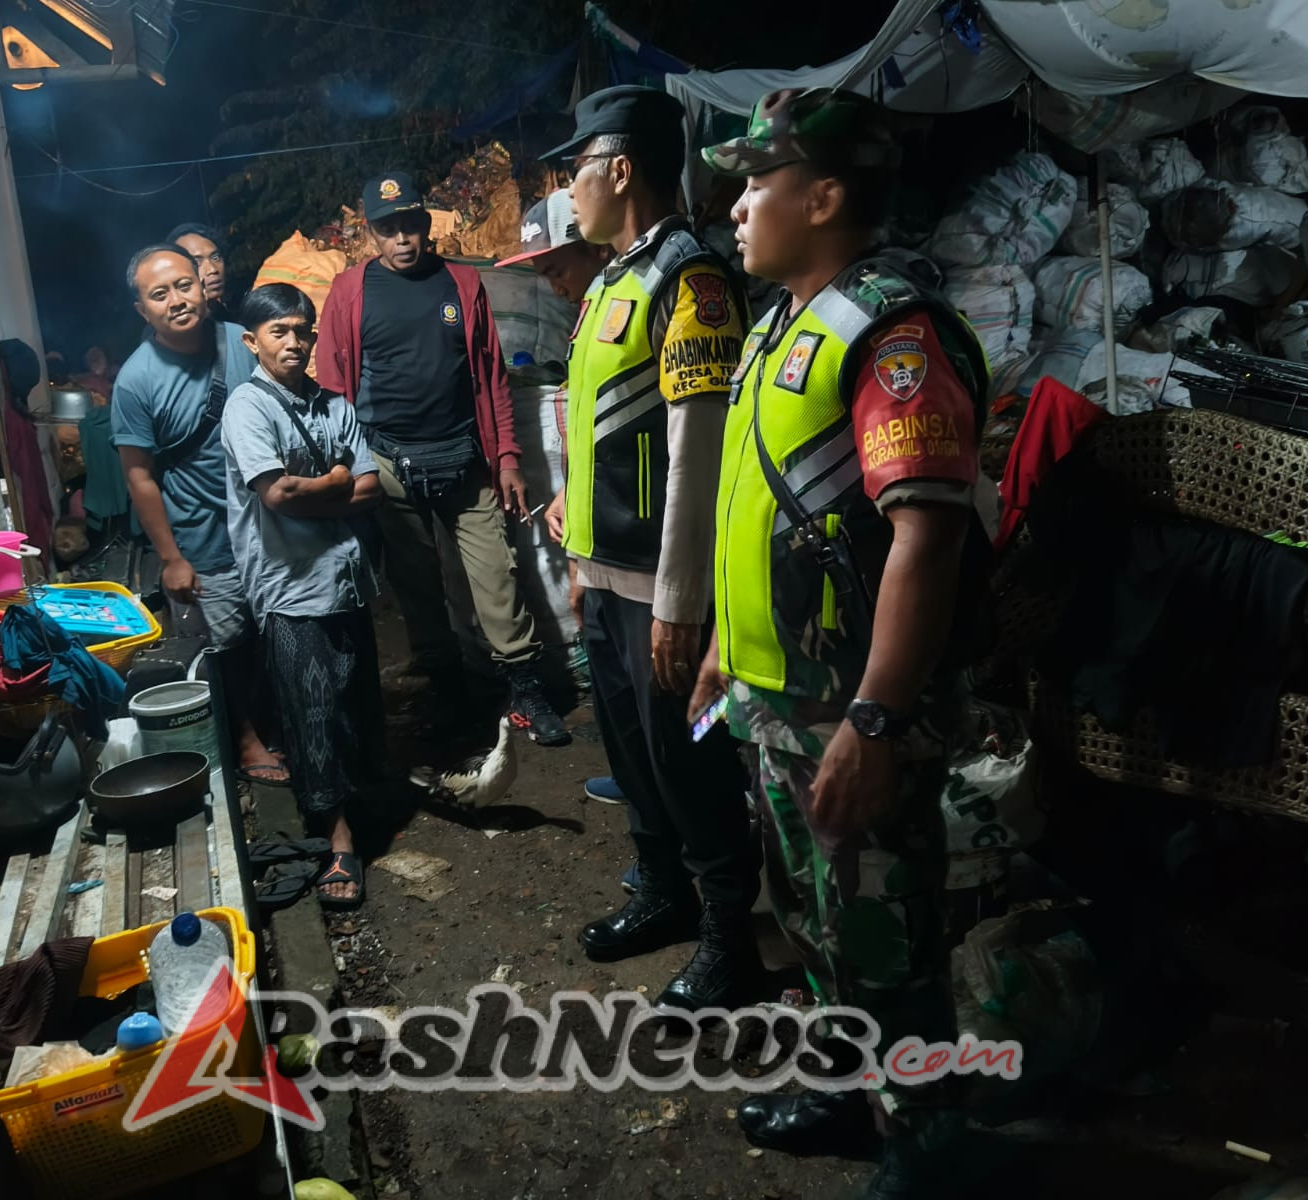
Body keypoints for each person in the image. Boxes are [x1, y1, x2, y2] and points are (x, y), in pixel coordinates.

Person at [693, 89, 993, 1196]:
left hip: (848, 706)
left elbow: (926, 540)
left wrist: (874, 718)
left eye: (756, 181)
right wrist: (729, 638)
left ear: (824, 197)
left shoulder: (893, 334)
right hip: (776, 696)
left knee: (885, 938)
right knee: (811, 918)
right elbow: (756, 501)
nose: (733, 206)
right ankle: (838, 1088)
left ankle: (927, 1146)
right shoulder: (784, 316)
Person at [542, 85, 760, 1013]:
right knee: (634, 754)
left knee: (693, 762)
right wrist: (582, 557)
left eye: (575, 170)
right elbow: (601, 430)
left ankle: (731, 937)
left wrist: (678, 600)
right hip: (609, 577)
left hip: (664, 590)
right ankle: (662, 891)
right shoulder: (610, 279)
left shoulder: (690, 278)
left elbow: (695, 458)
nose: (568, 192)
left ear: (618, 167)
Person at [317, 174, 569, 746]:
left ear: (426, 225)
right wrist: (346, 466)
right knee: (415, 586)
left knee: (496, 575)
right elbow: (334, 386)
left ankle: (526, 691)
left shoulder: (460, 282)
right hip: (385, 460)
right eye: (388, 228)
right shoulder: (349, 291)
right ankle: (449, 693)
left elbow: (489, 376)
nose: (401, 238)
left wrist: (505, 455)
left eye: (410, 224)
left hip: (463, 455)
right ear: (371, 233)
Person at [221, 284, 383, 908]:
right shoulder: (247, 407)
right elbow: (276, 495)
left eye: (302, 331)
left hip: (344, 576)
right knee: (311, 711)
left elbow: (370, 490)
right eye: (279, 332)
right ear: (251, 341)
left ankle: (358, 800)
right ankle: (338, 839)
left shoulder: (334, 404)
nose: (294, 342)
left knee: (351, 701)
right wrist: (339, 478)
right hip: (288, 586)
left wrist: (333, 483)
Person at [111, 243, 289, 786]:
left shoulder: (244, 341)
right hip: (205, 535)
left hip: (274, 525)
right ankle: (244, 739)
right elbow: (140, 476)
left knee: (279, 635)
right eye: (159, 295)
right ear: (143, 310)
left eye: (183, 285)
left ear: (203, 282)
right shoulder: (135, 381)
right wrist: (170, 558)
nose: (177, 301)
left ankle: (287, 725)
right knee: (228, 645)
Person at [496, 192, 623, 807]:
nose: (551, 283)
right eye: (541, 273)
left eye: (556, 268)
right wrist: (570, 491)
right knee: (609, 647)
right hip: (598, 510)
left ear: (595, 245)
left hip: (635, 522)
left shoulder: (637, 303)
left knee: (644, 660)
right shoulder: (592, 311)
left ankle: (664, 786)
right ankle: (633, 768)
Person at [167, 222, 231, 320]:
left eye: (216, 257)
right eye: (196, 262)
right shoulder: (172, 329)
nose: (212, 270)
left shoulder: (226, 316)